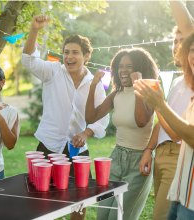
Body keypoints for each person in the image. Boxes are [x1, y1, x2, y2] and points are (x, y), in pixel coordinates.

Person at [22, 15, 109, 219]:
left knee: (80, 201)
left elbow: (103, 116)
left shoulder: (94, 83)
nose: (69, 56)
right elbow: (28, 60)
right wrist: (34, 30)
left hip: (78, 150)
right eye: (66, 52)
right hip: (48, 146)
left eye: (75, 53)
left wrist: (87, 133)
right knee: (40, 201)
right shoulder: (52, 71)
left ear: (86, 56)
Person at [85, 47, 159, 220]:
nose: (123, 70)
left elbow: (141, 121)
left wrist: (138, 85)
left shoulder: (150, 92)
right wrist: (93, 85)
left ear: (141, 69)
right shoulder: (116, 94)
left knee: (118, 217)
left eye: (129, 66)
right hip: (117, 158)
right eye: (120, 66)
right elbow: (91, 117)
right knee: (103, 215)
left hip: (139, 161)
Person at [134, 32, 194, 220]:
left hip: (177, 155)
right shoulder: (177, 82)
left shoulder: (191, 85)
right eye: (174, 41)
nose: (176, 45)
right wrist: (149, 149)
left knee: (160, 215)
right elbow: (163, 122)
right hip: (162, 153)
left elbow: (178, 133)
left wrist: (158, 104)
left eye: (181, 41)